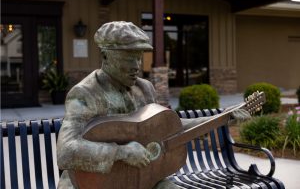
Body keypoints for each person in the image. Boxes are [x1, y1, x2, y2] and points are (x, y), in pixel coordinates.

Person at [57, 21, 250, 188]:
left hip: (142, 181)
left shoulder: (145, 88)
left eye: (138, 57)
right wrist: (121, 152)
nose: (137, 65)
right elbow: (65, 151)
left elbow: (166, 128)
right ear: (106, 56)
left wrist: (223, 117)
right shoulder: (85, 93)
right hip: (92, 184)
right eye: (128, 57)